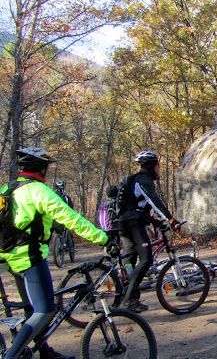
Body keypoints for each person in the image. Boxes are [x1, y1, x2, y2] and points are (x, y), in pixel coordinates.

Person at [0, 147, 111, 359]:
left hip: (8, 255)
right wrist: (102, 238)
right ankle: (11, 356)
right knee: (44, 310)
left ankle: (44, 351)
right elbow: (71, 219)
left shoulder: (8, 187)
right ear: (41, 169)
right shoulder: (39, 191)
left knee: (32, 310)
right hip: (28, 257)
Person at [118, 150, 180, 312]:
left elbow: (136, 207)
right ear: (152, 165)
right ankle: (129, 299)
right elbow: (154, 201)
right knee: (146, 259)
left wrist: (154, 222)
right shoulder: (143, 180)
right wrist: (170, 219)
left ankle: (126, 294)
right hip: (133, 225)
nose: (159, 168)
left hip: (125, 222)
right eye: (158, 165)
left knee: (130, 260)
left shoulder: (131, 180)